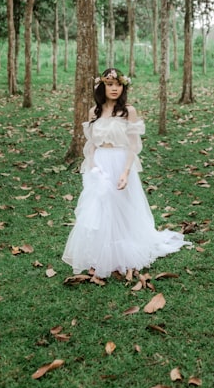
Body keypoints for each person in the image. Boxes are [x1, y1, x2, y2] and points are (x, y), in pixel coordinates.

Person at [62, 67, 191, 278]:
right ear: (102, 87)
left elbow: (133, 145)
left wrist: (125, 172)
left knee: (122, 208)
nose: (114, 89)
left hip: (121, 162)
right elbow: (92, 144)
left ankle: (121, 255)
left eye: (118, 85)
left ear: (124, 87)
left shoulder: (128, 111)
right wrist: (92, 166)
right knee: (99, 210)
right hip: (100, 163)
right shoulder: (94, 112)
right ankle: (98, 257)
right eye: (110, 84)